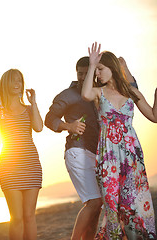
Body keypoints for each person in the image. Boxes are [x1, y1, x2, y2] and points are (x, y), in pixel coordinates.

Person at [81, 42, 157, 239]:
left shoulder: (131, 92)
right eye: (96, 70)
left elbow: (154, 116)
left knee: (133, 203)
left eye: (100, 69)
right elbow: (85, 93)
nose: (97, 74)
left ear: (112, 68)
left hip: (132, 156)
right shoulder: (99, 93)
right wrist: (91, 65)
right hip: (108, 158)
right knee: (112, 204)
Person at [45, 57, 103, 240]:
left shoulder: (100, 93)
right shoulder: (67, 95)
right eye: (80, 73)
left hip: (97, 154)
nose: (82, 77)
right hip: (77, 151)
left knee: (97, 205)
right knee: (94, 202)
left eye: (87, 73)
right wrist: (68, 126)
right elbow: (49, 119)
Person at [0, 69, 43, 240]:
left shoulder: (29, 109)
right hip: (9, 168)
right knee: (16, 218)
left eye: (20, 81)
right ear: (5, 84)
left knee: (29, 216)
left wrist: (34, 103)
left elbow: (38, 127)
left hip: (31, 166)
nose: (17, 84)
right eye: (13, 81)